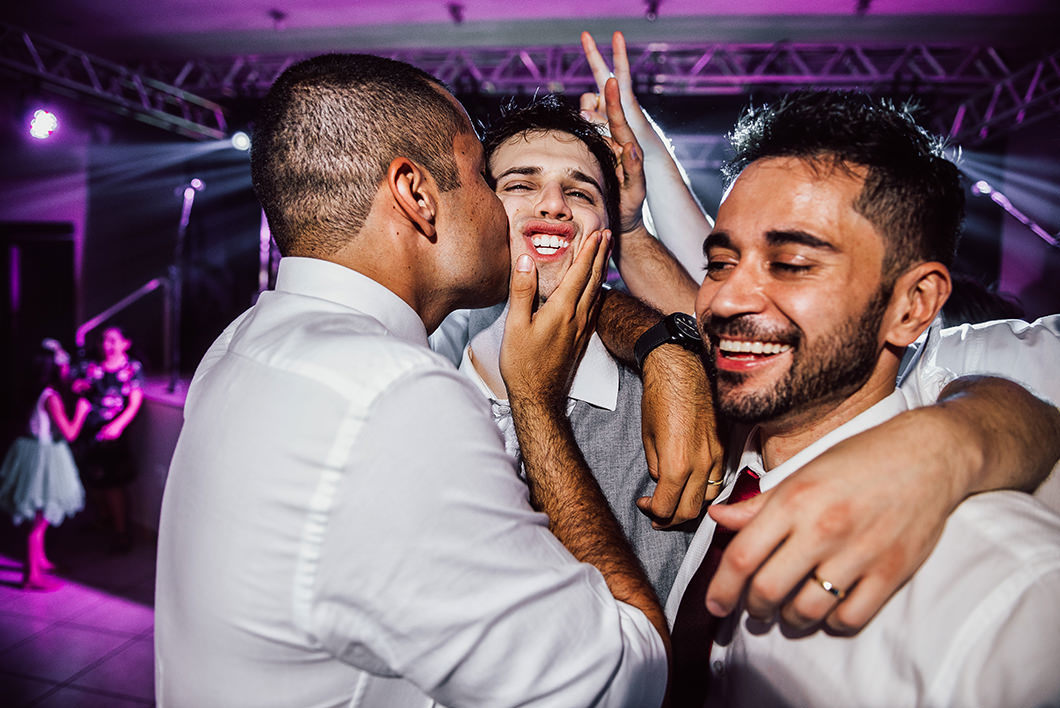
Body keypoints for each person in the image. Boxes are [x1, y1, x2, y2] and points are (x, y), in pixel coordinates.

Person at [155, 53, 672, 708]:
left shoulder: (241, 342)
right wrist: (537, 404)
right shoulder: (392, 398)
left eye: (579, 191)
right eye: (485, 176)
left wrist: (668, 347)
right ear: (418, 195)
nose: (516, 208)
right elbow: (620, 682)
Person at [666, 89, 1060, 707]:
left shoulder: (1003, 591)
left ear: (912, 307)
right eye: (721, 263)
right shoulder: (730, 456)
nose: (726, 299)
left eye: (791, 263)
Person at [435, 95, 697, 599]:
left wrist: (675, 355)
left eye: (579, 193)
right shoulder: (418, 379)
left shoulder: (666, 414)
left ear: (607, 230)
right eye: (520, 185)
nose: (553, 204)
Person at [0, 339, 90, 590]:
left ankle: (40, 560)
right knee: (39, 519)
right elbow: (70, 433)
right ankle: (31, 575)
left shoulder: (39, 392)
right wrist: (81, 412)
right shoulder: (51, 398)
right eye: (65, 365)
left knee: (41, 515)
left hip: (32, 450)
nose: (68, 370)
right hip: (44, 458)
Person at [72, 325, 144, 553]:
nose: (106, 345)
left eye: (112, 340)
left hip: (112, 435)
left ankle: (122, 533)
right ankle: (103, 519)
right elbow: (78, 388)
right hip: (89, 431)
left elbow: (134, 403)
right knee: (92, 478)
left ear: (125, 343)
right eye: (103, 340)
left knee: (113, 483)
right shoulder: (91, 366)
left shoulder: (131, 368)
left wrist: (117, 425)